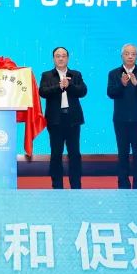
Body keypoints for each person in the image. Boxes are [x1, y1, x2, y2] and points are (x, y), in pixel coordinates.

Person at [106, 43, 137, 189]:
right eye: (127, 53)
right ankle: (123, 184)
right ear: (122, 56)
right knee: (123, 153)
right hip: (120, 120)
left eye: (133, 54)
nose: (130, 56)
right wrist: (122, 84)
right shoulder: (114, 73)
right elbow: (110, 93)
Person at [39, 46, 88, 189]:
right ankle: (57, 186)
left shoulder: (75, 74)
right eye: (58, 56)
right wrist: (59, 86)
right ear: (53, 59)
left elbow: (83, 91)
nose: (61, 58)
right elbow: (42, 92)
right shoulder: (47, 75)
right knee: (56, 154)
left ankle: (76, 185)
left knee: (74, 154)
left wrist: (69, 85)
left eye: (63, 56)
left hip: (73, 120)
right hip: (55, 120)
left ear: (68, 58)